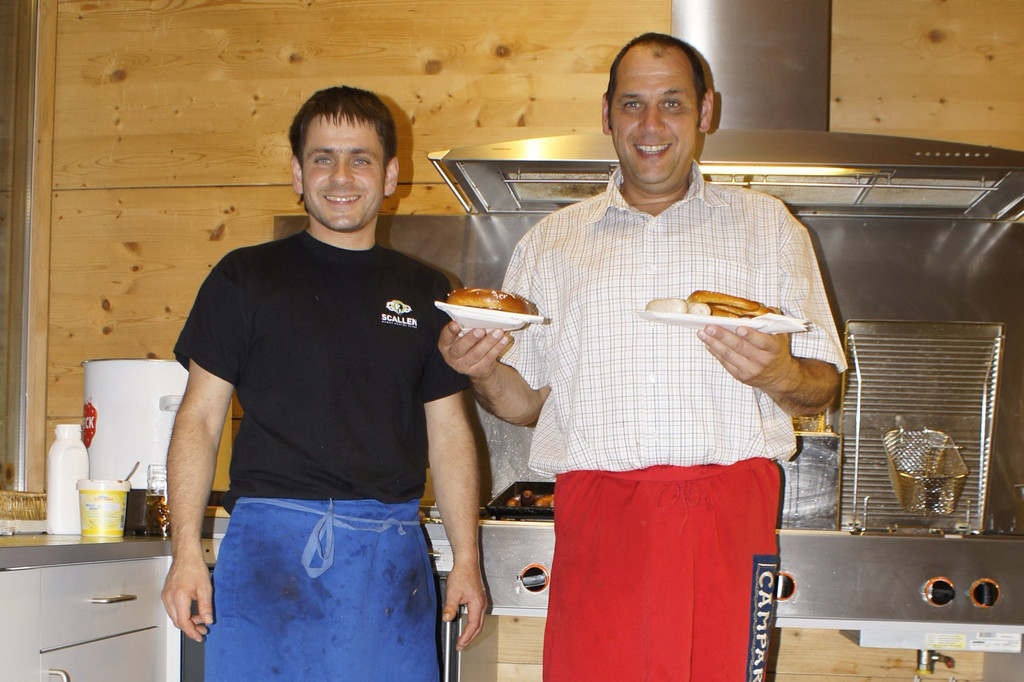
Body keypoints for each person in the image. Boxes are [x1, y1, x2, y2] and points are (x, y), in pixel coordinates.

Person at [439, 33, 847, 681]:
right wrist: (483, 369)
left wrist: (779, 372)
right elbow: (525, 402)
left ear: (705, 111)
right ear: (607, 115)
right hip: (598, 519)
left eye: (672, 103)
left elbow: (823, 385)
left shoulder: (769, 228)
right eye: (632, 104)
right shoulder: (551, 243)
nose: (651, 124)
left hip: (729, 515)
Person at [161, 85, 486, 681]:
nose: (341, 176)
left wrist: (467, 556)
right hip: (267, 557)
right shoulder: (243, 277)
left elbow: (449, 434)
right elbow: (199, 419)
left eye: (361, 159)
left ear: (390, 175)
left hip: (387, 562)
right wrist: (185, 550)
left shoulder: (427, 291)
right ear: (297, 172)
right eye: (322, 158)